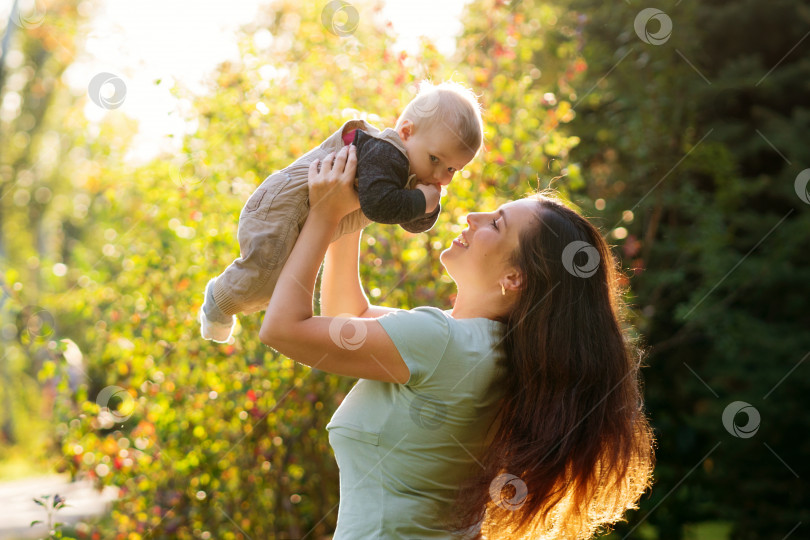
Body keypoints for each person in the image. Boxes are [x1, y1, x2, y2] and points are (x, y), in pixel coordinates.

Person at [259, 145, 656, 539]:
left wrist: (324, 214)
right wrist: (353, 213)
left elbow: (283, 329)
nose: (473, 217)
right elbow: (349, 319)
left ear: (514, 278)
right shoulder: (494, 349)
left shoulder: (443, 343)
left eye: (496, 224)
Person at [200, 80, 484, 343]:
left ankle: (227, 300)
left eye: (451, 169)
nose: (440, 175)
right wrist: (422, 201)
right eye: (435, 159)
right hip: (283, 207)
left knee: (282, 286)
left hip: (304, 215)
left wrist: (428, 205)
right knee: (265, 279)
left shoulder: (409, 167)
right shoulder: (386, 154)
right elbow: (381, 206)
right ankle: (218, 300)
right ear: (406, 133)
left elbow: (408, 220)